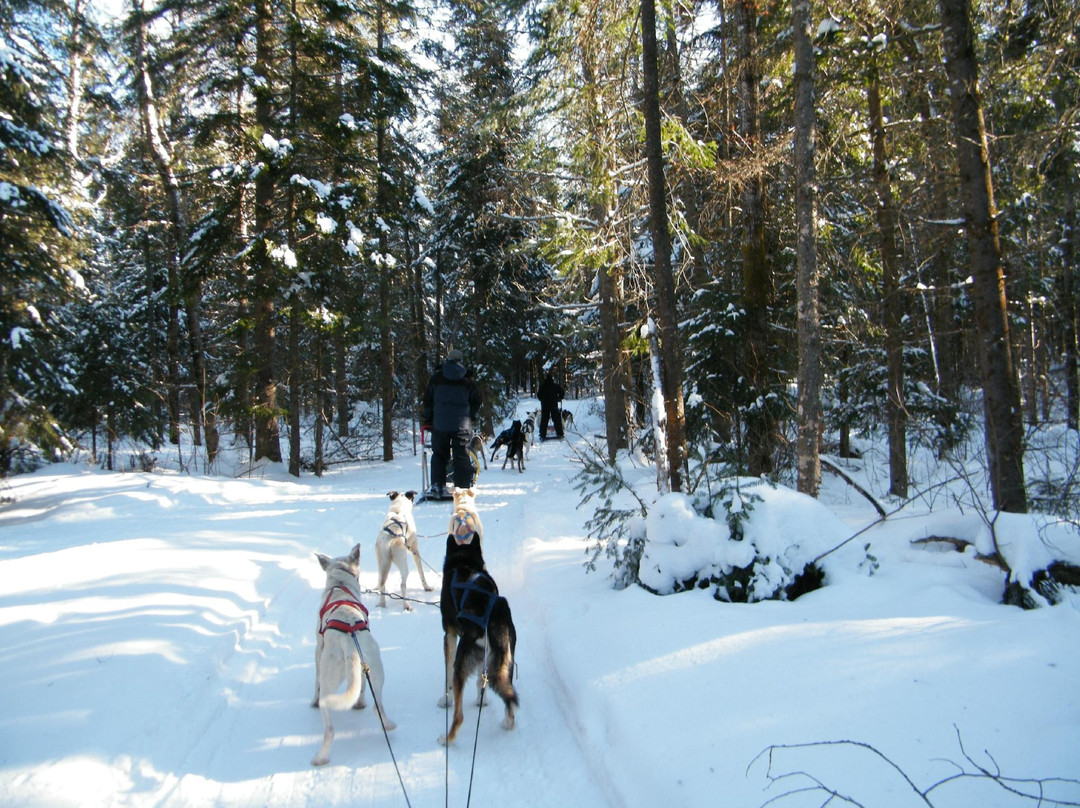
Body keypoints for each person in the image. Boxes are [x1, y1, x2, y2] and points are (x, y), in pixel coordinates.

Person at [421, 350, 481, 499]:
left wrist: (428, 419)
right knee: (461, 455)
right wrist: (471, 415)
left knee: (440, 454)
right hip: (462, 424)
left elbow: (428, 401)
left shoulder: (436, 378)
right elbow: (477, 400)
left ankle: (437, 487)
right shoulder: (467, 380)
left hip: (440, 424)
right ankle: (462, 489)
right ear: (460, 361)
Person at [537, 373, 564, 441]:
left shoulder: (542, 386)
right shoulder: (555, 386)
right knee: (557, 420)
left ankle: (542, 435)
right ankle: (560, 434)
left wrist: (542, 400)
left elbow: (539, 395)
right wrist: (559, 398)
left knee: (544, 420)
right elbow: (562, 393)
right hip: (553, 405)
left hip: (545, 405)